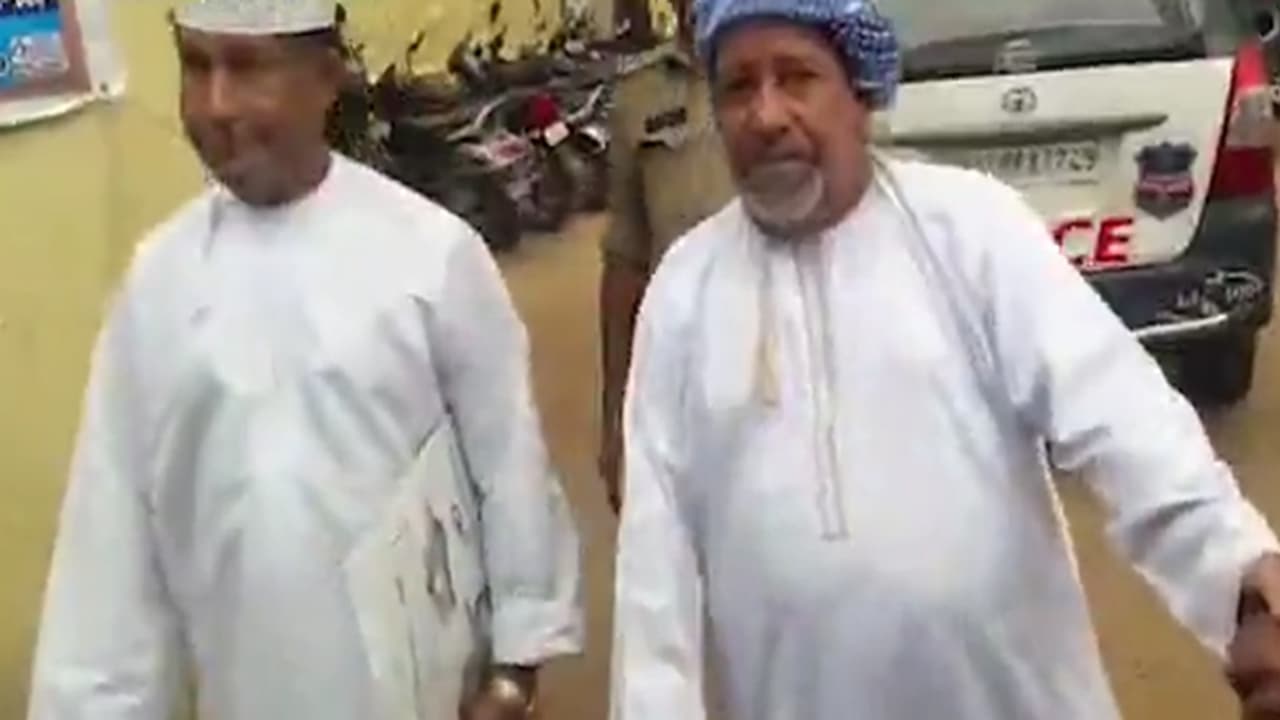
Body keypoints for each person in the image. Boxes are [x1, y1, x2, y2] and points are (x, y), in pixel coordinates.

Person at [609, 0, 1280, 718]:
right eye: (739, 87)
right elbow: (655, 558)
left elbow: (1125, 420)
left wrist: (1242, 582)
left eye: (796, 77)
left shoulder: (971, 229)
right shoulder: (686, 289)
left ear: (860, 93)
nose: (765, 115)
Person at [27, 2, 582, 718]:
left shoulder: (431, 255)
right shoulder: (158, 283)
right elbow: (112, 539)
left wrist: (513, 671)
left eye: (246, 68)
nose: (216, 105)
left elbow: (508, 466)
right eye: (196, 65)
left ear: (325, 79)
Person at [599, 0, 735, 511]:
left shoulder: (785, 69)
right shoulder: (639, 96)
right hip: (682, 379)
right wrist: (615, 419)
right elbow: (625, 260)